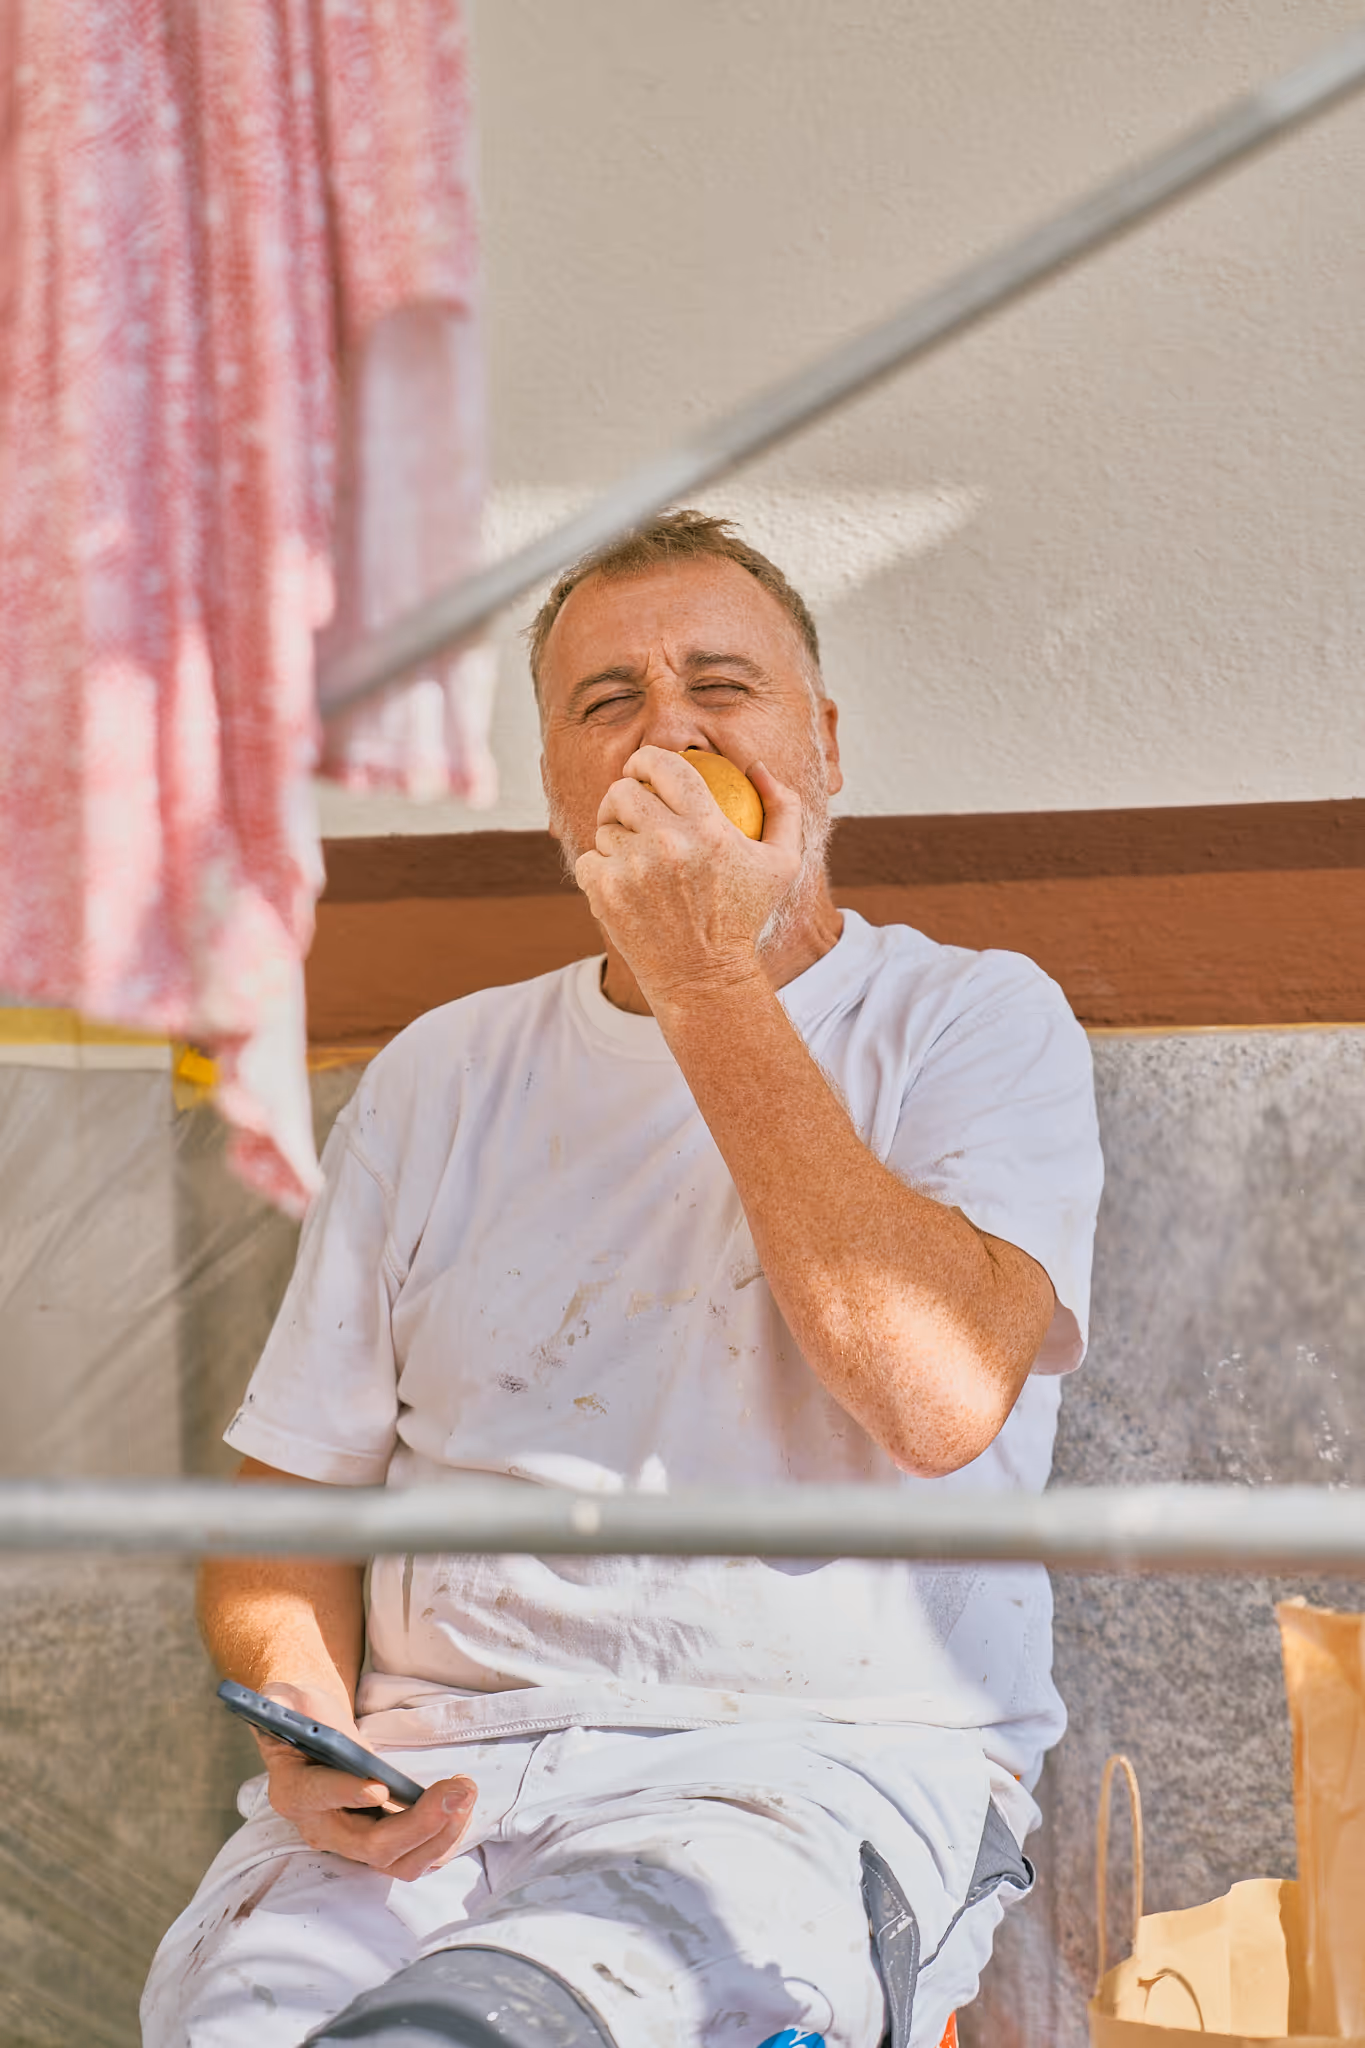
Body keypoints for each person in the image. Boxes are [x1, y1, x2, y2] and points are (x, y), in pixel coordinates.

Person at [142, 511, 1103, 2048]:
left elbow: (937, 1399)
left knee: (516, 2021)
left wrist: (705, 973)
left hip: (804, 1777)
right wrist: (305, 1716)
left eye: (721, 688)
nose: (669, 734)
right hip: (433, 1790)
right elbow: (287, 1511)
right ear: (558, 792)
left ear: (825, 745)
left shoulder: (971, 1022)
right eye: (610, 703)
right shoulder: (443, 1073)